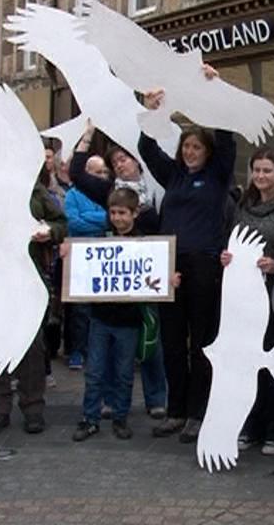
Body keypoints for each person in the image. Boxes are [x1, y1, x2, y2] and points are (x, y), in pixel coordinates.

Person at [138, 65, 235, 443]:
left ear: (207, 153)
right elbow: (147, 148)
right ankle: (176, 411)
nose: (190, 152)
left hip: (203, 265)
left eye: (197, 147)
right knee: (172, 342)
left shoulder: (217, 175)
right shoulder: (174, 175)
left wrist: (216, 88)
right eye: (186, 147)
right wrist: (152, 110)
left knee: (202, 341)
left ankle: (199, 412)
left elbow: (226, 136)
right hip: (170, 264)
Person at [70, 128, 168, 421]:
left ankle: (156, 399)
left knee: (152, 341)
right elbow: (76, 172)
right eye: (116, 163)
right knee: (115, 343)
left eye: (125, 159)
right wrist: (86, 136)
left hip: (150, 276)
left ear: (137, 161)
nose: (121, 165)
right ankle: (113, 400)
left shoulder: (159, 187)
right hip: (119, 275)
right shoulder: (109, 191)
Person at [0, 179, 66, 437]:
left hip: (23, 281)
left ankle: (33, 408)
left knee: (31, 347)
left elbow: (61, 223)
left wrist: (49, 231)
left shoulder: (31, 188)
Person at [221, 146, 274, 456]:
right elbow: (233, 240)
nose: (261, 176)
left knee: (273, 362)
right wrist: (228, 256)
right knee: (247, 363)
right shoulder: (243, 204)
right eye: (256, 170)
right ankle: (251, 424)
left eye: (267, 170)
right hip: (243, 297)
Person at [71, 188, 156, 442]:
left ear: (135, 213)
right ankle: (90, 418)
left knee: (123, 373)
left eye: (123, 213)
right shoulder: (100, 240)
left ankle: (120, 417)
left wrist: (167, 280)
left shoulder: (146, 243)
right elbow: (84, 268)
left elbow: (155, 276)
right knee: (94, 371)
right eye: (114, 212)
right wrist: (69, 255)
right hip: (100, 317)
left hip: (128, 321)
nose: (118, 218)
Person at [63, 155, 111, 371]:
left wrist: (91, 217)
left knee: (101, 308)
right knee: (80, 309)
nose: (102, 176)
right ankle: (77, 350)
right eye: (97, 172)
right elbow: (73, 222)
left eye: (104, 172)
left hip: (103, 255)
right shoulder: (73, 194)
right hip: (80, 256)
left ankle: (97, 351)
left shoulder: (107, 193)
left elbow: (111, 218)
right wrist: (100, 219)